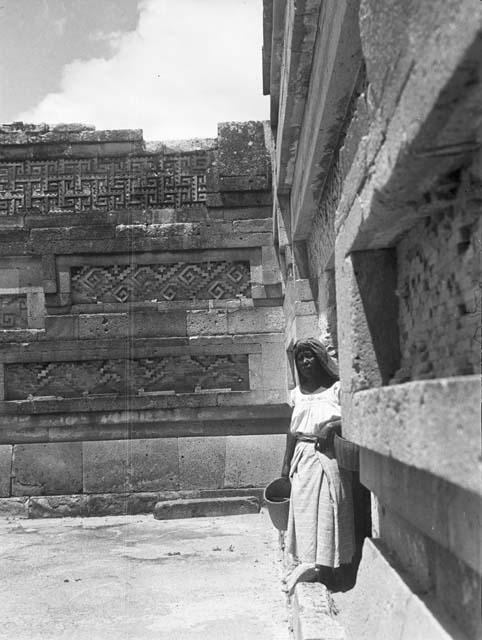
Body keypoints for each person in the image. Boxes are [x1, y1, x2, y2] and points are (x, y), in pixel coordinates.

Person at [281, 338, 355, 591]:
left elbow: (353, 418)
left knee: (329, 511)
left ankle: (332, 570)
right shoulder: (296, 395)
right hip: (303, 458)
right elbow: (291, 432)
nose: (305, 362)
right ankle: (309, 564)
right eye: (300, 357)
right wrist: (284, 468)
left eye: (310, 356)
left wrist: (331, 426)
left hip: (329, 456)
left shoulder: (336, 389)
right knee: (303, 512)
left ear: (321, 358)